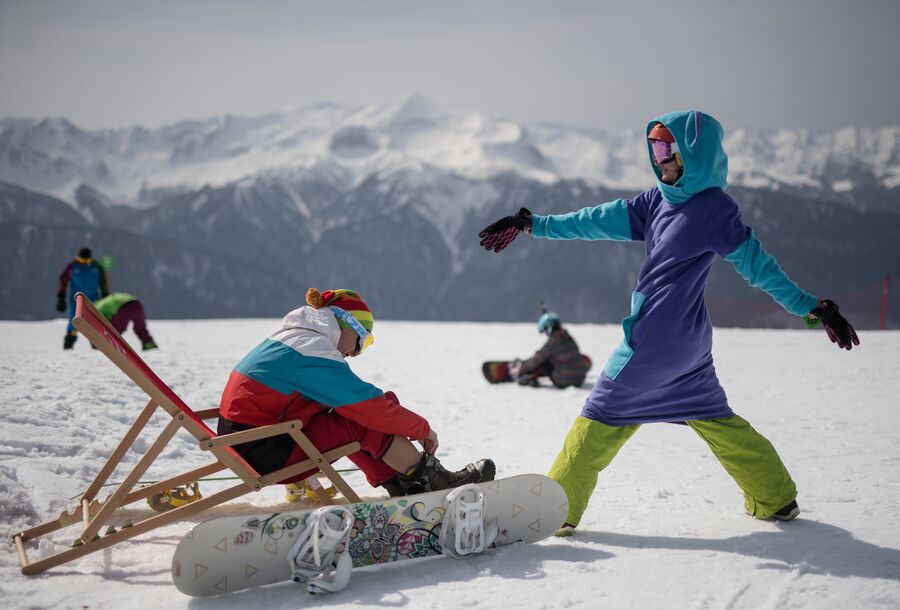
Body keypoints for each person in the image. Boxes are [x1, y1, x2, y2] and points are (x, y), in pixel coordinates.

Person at [478, 110, 859, 536]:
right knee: (716, 418)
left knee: (598, 417)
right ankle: (776, 497)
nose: (658, 159)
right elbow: (596, 219)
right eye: (654, 147)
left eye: (666, 148)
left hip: (653, 342)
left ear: (693, 152)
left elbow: (758, 267)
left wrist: (811, 307)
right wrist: (534, 225)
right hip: (690, 348)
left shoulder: (712, 208)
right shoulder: (658, 200)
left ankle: (555, 511)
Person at [217, 287, 495, 500]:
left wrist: (392, 411)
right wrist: (422, 429)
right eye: (362, 339)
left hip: (255, 438)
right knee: (364, 420)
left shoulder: (297, 339)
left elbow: (365, 402)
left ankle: (404, 481)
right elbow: (368, 408)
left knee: (371, 411)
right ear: (345, 323)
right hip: (262, 448)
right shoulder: (310, 349)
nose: (355, 352)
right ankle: (431, 483)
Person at [512, 310, 590, 388]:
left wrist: (521, 370)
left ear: (549, 328)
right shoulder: (569, 338)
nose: (546, 334)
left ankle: (528, 376)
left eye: (545, 331)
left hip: (564, 382)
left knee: (544, 361)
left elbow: (537, 360)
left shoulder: (553, 342)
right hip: (579, 381)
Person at [57, 247, 109, 349]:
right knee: (74, 322)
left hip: (94, 300)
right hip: (76, 300)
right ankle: (68, 346)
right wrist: (61, 297)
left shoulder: (96, 267)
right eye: (82, 260)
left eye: (87, 260)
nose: (84, 262)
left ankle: (96, 347)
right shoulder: (73, 266)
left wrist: (105, 296)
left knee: (94, 323)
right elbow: (63, 281)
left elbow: (103, 283)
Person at [93, 292, 158, 351]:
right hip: (136, 304)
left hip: (123, 307)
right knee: (140, 328)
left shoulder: (97, 307)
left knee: (114, 331)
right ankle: (149, 345)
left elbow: (102, 322)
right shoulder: (106, 301)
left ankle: (111, 347)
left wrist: (95, 343)